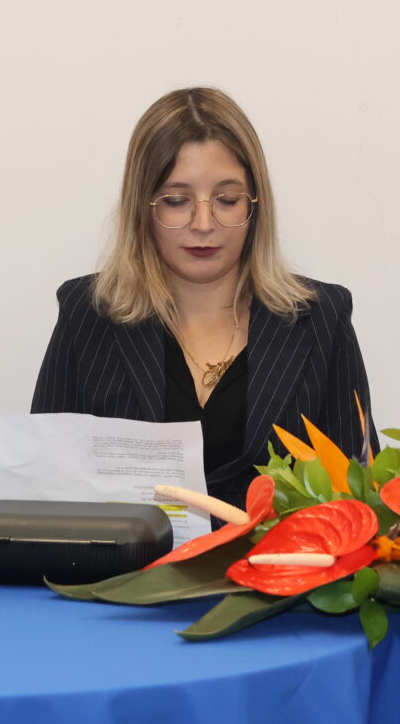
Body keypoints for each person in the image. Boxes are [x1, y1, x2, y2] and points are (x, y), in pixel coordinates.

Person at [31, 87, 375, 509]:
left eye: (227, 200)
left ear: (255, 206)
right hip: (132, 553)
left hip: (279, 553)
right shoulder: (87, 314)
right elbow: (47, 487)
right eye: (177, 201)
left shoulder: (321, 319)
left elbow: (358, 498)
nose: (204, 223)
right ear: (142, 207)